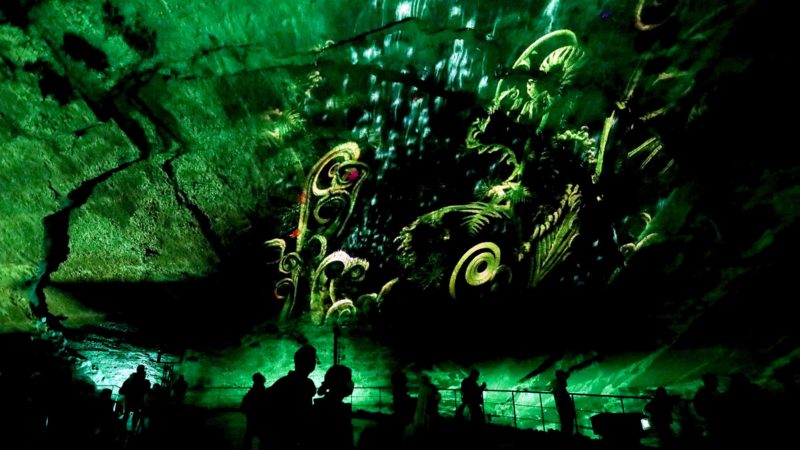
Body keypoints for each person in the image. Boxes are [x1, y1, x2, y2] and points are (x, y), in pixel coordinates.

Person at [262, 344, 318, 449]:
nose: (314, 362)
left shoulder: (286, 382)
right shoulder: (305, 384)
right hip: (287, 436)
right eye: (313, 359)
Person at [311, 365, 354, 450]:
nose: (351, 382)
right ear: (340, 382)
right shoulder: (339, 410)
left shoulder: (321, 405)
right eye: (349, 379)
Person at [241, 373, 268, 450]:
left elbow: (243, 407)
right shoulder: (263, 392)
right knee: (263, 438)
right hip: (261, 418)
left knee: (249, 436)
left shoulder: (251, 393)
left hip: (252, 417)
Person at [120, 365, 150, 432]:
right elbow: (146, 391)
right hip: (138, 399)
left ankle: (123, 428)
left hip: (130, 398)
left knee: (126, 414)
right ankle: (133, 429)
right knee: (135, 415)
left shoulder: (131, 378)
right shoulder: (145, 381)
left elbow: (124, 387)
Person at [552, 370, 576, 435]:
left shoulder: (555, 383)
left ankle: (565, 435)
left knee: (564, 421)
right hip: (565, 404)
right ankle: (567, 435)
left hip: (561, 405)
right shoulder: (560, 385)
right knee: (568, 421)